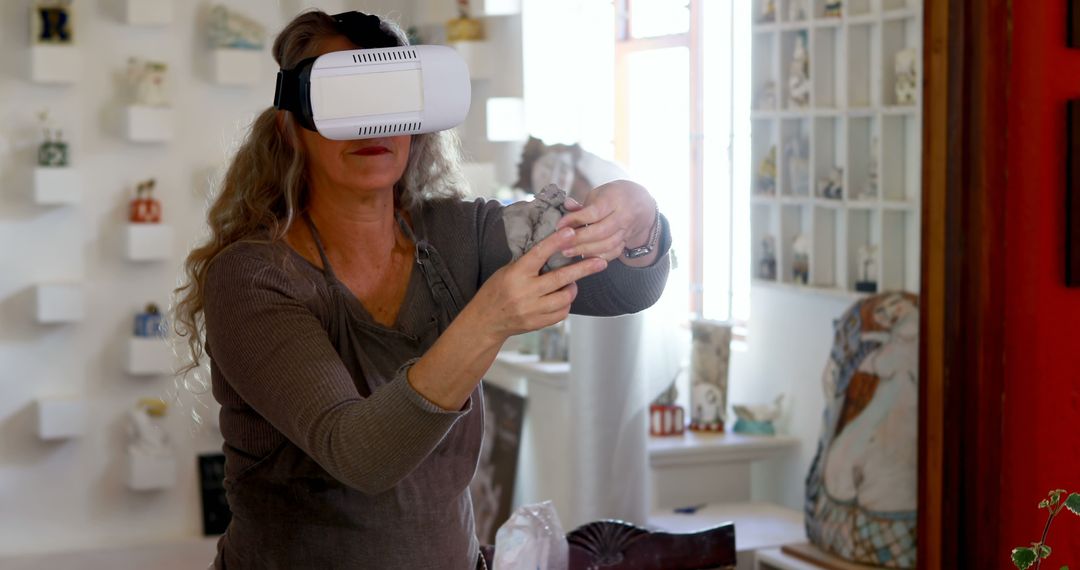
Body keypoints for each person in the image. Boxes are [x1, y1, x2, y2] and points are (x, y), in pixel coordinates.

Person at [173, 10, 671, 570]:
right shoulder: (253, 277)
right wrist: (487, 321)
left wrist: (638, 216)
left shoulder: (460, 235)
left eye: (391, 99)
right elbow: (360, 455)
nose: (372, 125)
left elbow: (627, 288)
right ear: (291, 124)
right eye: (345, 101)